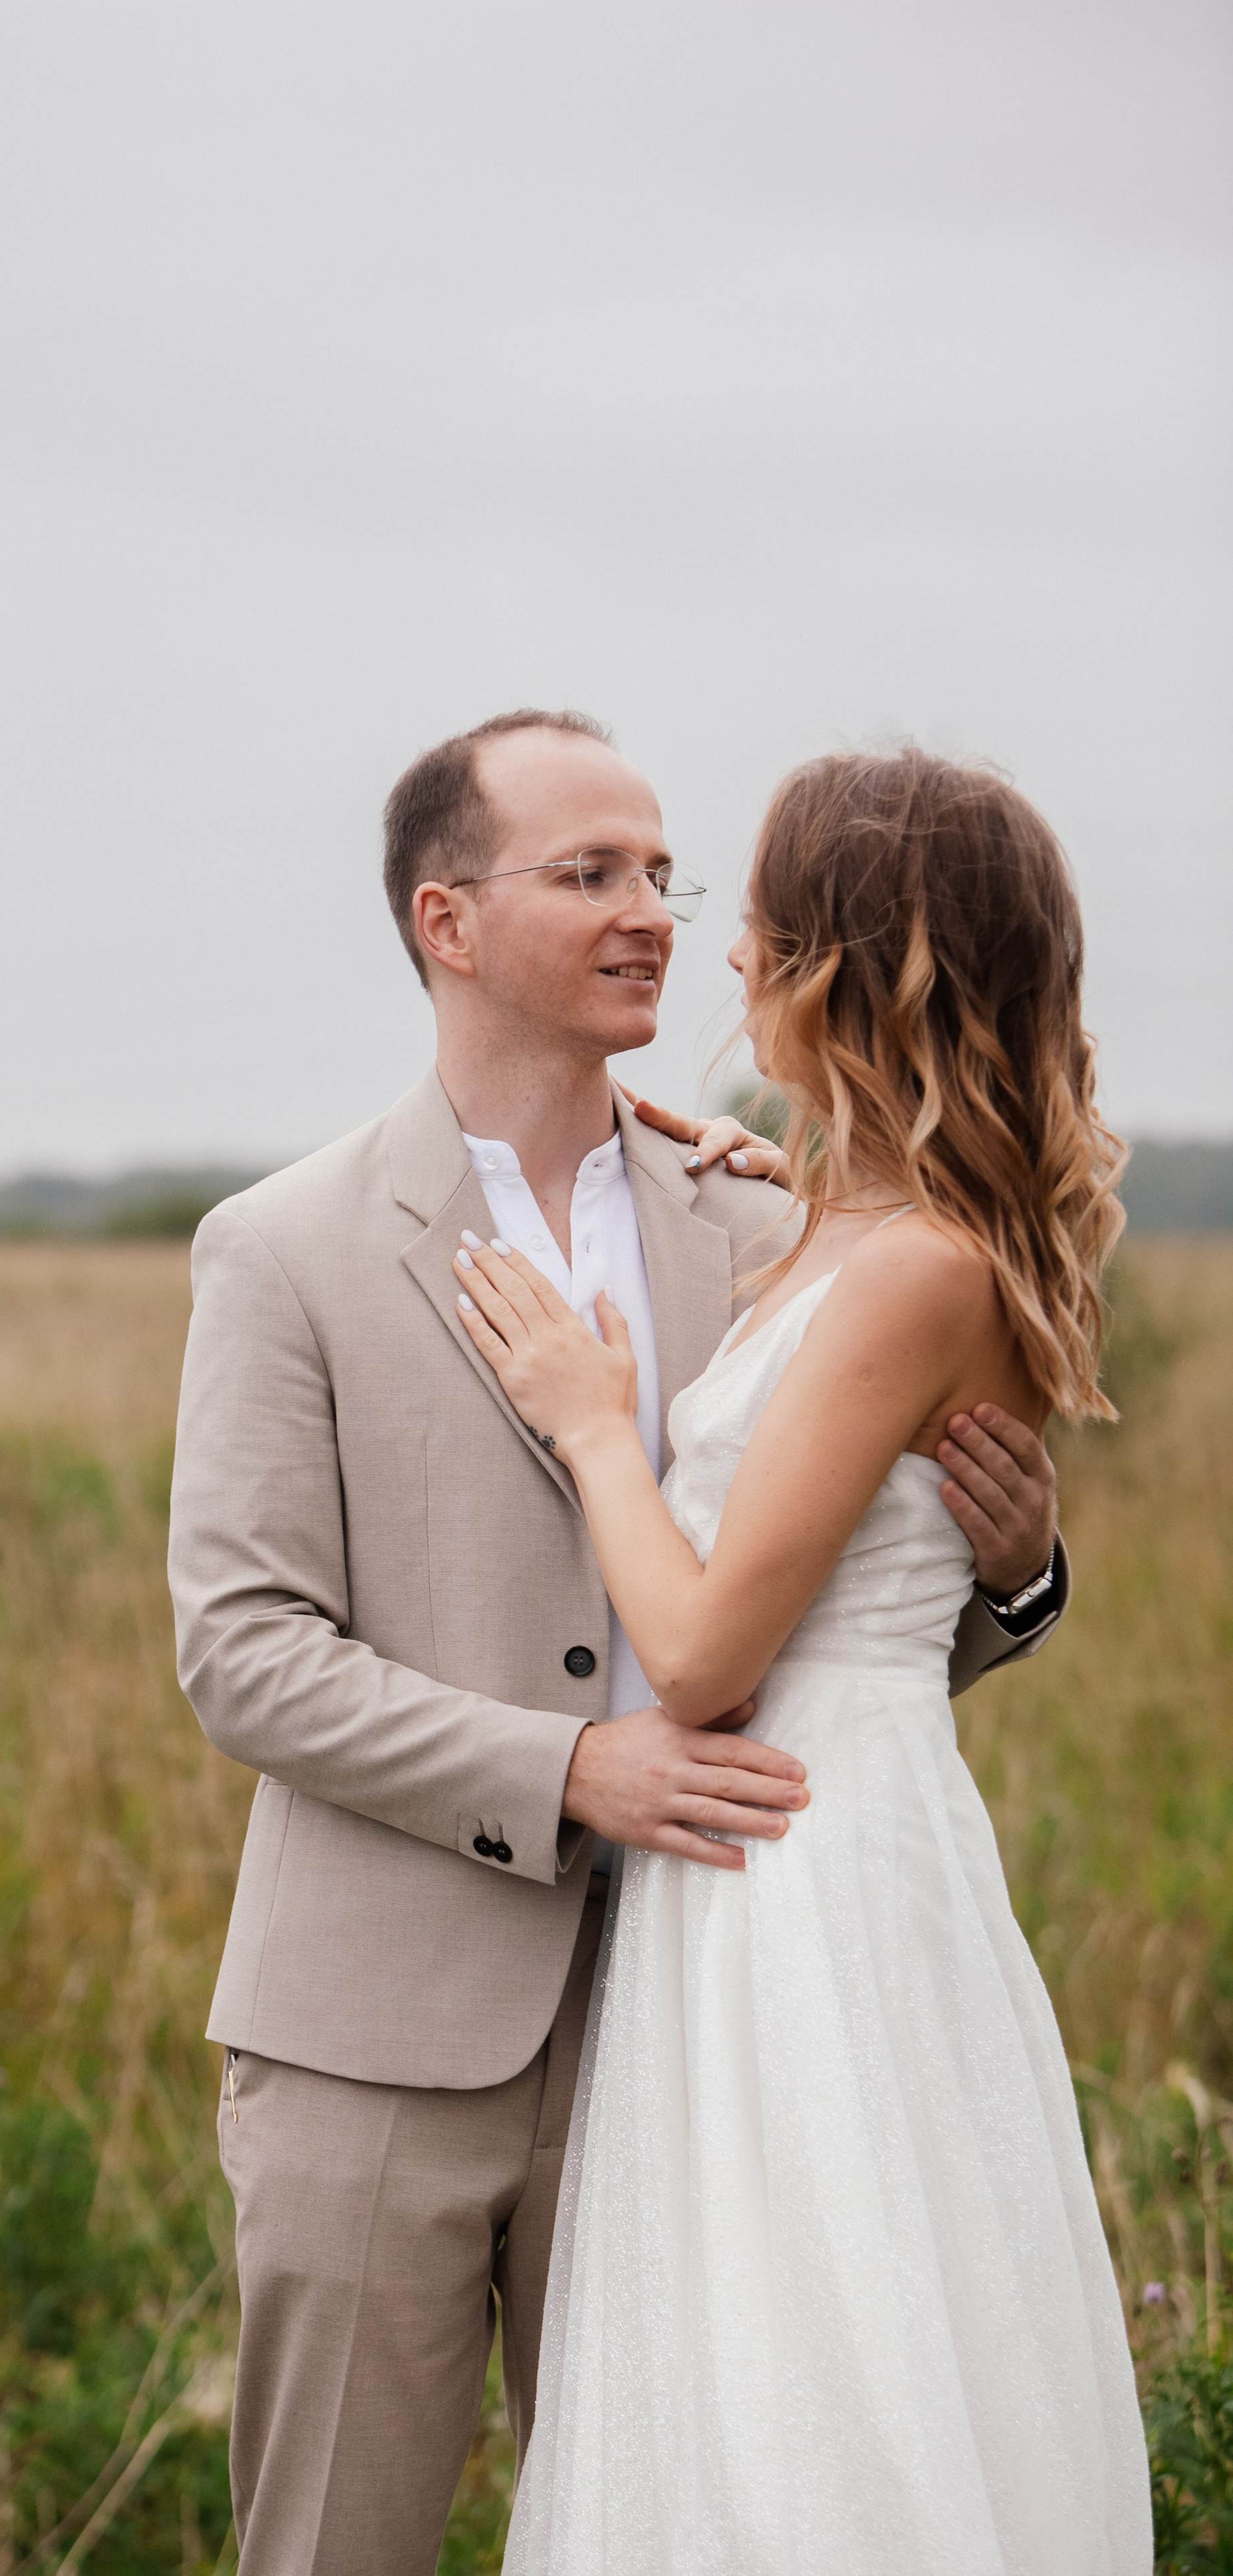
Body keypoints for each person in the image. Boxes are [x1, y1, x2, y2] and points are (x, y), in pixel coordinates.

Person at [168, 712, 1067, 2576]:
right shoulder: (287, 1245)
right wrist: (569, 1771)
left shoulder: (779, 1228)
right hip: (381, 2041)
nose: (654, 911)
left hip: (711, 2018)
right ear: (446, 920)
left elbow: (845, 1625)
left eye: (664, 871)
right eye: (590, 873)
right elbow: (245, 1653)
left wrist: (1019, 1584)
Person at [451, 748, 1150, 2573]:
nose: (725, 949)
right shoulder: (865, 1235)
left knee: (819, 2368)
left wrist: (594, 1424)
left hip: (802, 1865)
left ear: (849, 963)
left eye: (757, 916)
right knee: (762, 2360)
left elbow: (700, 1659)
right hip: (787, 1848)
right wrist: (796, 1180)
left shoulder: (916, 1270)